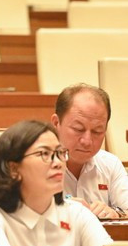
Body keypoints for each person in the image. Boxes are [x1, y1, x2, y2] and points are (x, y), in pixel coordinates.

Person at [0, 120, 113, 246]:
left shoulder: (77, 213)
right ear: (14, 169)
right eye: (44, 154)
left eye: (60, 153)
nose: (58, 163)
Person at [51, 83, 127, 219]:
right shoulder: (34, 163)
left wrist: (116, 213)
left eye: (97, 131)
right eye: (78, 129)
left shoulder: (110, 164)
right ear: (56, 123)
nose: (87, 141)